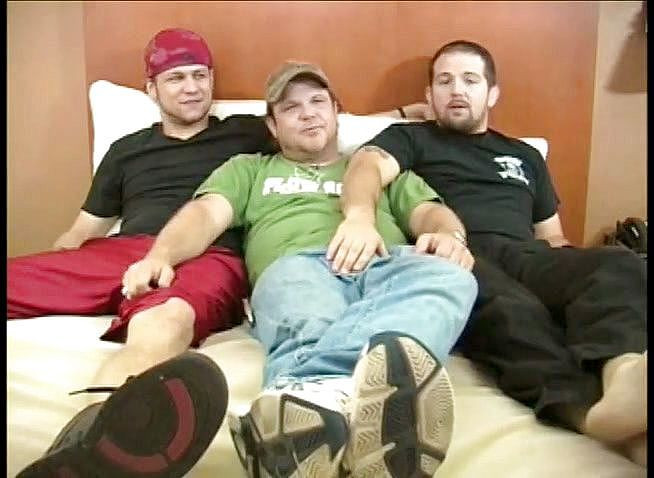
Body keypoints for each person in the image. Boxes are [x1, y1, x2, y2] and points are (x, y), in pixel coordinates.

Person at [122, 61, 478, 478]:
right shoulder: (249, 169)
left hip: (388, 268)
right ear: (272, 126)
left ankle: (310, 398)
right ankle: (372, 405)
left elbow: (430, 213)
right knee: (305, 308)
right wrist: (160, 255)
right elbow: (203, 215)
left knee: (452, 276)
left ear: (336, 112)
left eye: (317, 102)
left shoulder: (374, 168)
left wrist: (450, 237)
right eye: (291, 108)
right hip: (300, 266)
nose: (308, 113)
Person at [328, 40, 648, 466]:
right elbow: (365, 166)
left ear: (492, 93)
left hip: (527, 255)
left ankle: (625, 376)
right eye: (444, 81)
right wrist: (359, 217)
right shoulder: (410, 137)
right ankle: (590, 415)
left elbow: (553, 238)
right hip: (456, 253)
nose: (457, 90)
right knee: (513, 309)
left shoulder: (525, 155)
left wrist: (576, 278)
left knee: (617, 263)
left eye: (470, 80)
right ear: (429, 95)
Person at [10, 28, 279, 478]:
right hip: (122, 252)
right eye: (176, 78)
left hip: (208, 256)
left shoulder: (247, 133)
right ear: (151, 89)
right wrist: (58, 264)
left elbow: (319, 124)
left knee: (164, 320)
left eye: (200, 75)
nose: (191, 88)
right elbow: (82, 230)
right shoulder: (126, 150)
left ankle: (89, 447)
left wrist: (404, 115)